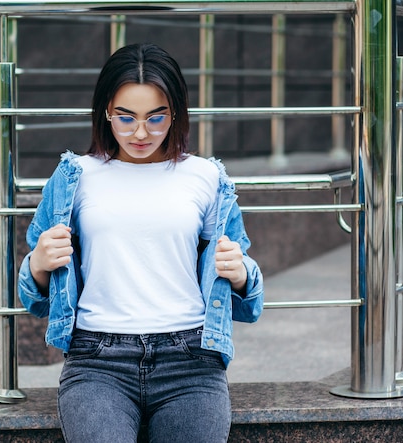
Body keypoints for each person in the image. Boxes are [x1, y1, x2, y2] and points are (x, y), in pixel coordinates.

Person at [18, 42, 264, 443]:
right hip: (97, 362)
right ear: (105, 113)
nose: (140, 133)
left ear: (176, 114)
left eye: (156, 118)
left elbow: (248, 300)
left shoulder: (205, 177)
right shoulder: (75, 176)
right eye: (126, 118)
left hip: (191, 360)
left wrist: (241, 274)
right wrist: (38, 265)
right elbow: (34, 298)